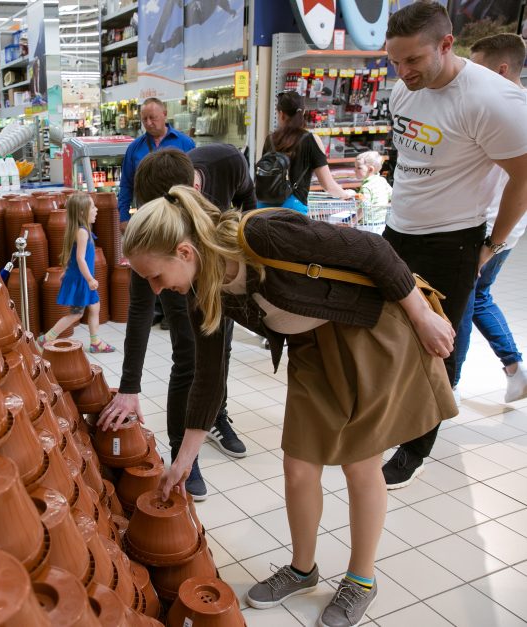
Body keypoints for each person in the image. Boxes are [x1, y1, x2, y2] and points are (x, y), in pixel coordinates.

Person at [123, 186, 457, 627]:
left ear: (184, 252)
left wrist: (421, 316)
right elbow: (208, 377)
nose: (154, 287)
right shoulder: (206, 290)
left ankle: (361, 580)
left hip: (366, 334)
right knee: (299, 466)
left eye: (154, 275)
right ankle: (303, 569)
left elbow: (373, 250)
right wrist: (183, 459)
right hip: (311, 349)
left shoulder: (261, 235)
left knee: (360, 466)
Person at [381, 1, 527, 488]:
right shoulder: (404, 90)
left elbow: (523, 177)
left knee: (436, 343)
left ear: (446, 45)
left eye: (413, 61)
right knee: (385, 324)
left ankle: (417, 443)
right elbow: (409, 159)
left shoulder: (492, 99)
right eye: (394, 61)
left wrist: (493, 243)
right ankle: (389, 413)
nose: (402, 72)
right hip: (398, 229)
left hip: (454, 240)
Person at [99, 147, 255, 501]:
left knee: (220, 346)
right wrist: (129, 387)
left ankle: (216, 415)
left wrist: (246, 242)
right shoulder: (156, 234)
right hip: (174, 266)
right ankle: (184, 452)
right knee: (189, 355)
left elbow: (248, 195)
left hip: (215, 259)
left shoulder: (226, 162)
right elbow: (139, 307)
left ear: (190, 193)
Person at [453, 33, 527, 403]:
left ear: (501, 69)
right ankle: (514, 368)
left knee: (467, 302)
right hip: (498, 231)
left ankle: (449, 387)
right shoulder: (504, 106)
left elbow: (517, 186)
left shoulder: (511, 112)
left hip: (493, 231)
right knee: (476, 297)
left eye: (477, 69)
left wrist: (490, 246)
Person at [118, 98, 195, 330]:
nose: (149, 123)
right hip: (148, 221)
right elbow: (126, 185)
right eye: (144, 119)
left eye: (153, 117)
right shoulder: (135, 148)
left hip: (177, 220)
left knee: (173, 264)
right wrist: (123, 216)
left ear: (165, 114)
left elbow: (195, 182)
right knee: (149, 267)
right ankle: (156, 310)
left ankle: (173, 315)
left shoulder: (185, 143)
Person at [38, 192, 116, 354]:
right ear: (82, 212)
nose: (96, 210)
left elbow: (71, 253)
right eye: (92, 207)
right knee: (76, 314)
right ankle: (47, 338)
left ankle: (95, 341)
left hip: (78, 277)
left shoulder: (80, 230)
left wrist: (66, 270)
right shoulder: (82, 232)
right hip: (82, 279)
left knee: (93, 307)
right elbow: (80, 258)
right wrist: (90, 279)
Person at [258, 91, 356, 213]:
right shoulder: (311, 140)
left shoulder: (270, 139)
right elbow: (327, 185)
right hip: (292, 209)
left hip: (263, 207)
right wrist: (345, 194)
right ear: (303, 112)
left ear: (281, 114)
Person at [354, 151, 392, 233]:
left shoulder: (366, 187)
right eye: (355, 167)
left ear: (370, 169)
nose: (355, 170)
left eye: (359, 168)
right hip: (381, 224)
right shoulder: (382, 181)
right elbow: (393, 196)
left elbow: (365, 207)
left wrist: (352, 221)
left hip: (366, 226)